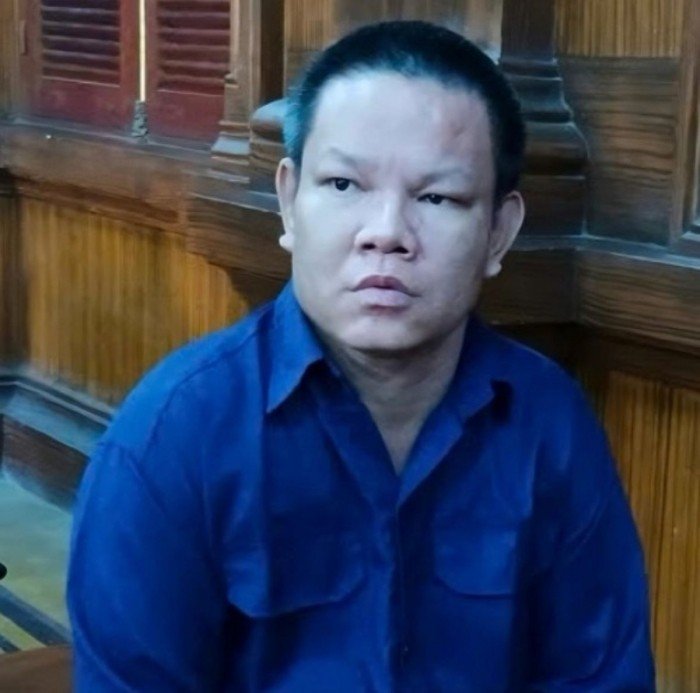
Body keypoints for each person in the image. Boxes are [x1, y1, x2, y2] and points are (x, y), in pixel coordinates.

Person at [67, 20, 655, 691]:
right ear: (289, 203)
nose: (386, 233)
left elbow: (602, 678)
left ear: (499, 231)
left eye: (437, 197)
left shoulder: (549, 424)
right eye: (345, 185)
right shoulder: (172, 437)